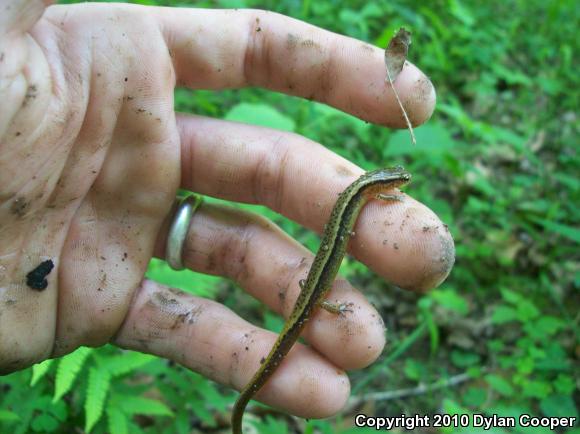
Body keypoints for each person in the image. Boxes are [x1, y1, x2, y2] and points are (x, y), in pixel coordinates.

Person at [0, 0, 454, 421]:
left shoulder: (365, 193)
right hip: (316, 288)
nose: (399, 186)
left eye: (396, 184)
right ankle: (243, 409)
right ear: (387, 185)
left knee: (310, 317)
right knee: (315, 309)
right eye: (398, 184)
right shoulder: (365, 193)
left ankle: (246, 406)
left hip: (316, 282)